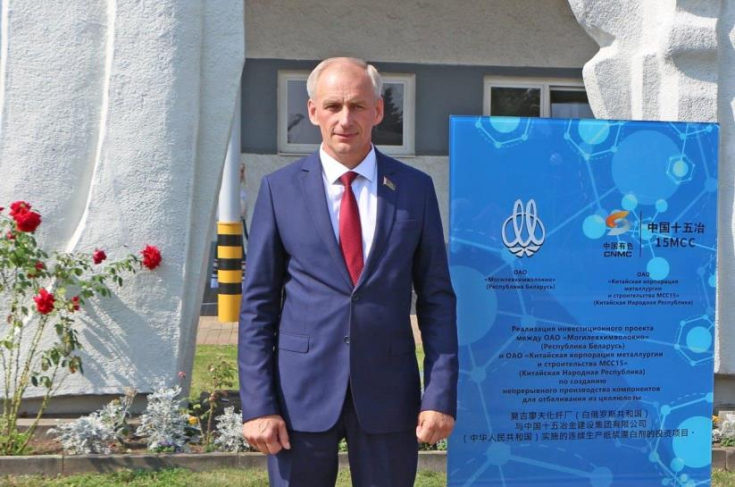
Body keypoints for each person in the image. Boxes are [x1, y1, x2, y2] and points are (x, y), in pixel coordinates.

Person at [238, 57, 458, 487]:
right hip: (299, 397)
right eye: (333, 106)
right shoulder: (279, 190)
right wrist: (259, 405)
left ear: (377, 111)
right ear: (313, 111)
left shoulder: (414, 189)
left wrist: (439, 394)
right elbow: (257, 306)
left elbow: (437, 300)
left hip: (388, 395)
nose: (345, 119)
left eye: (357, 106)